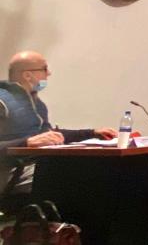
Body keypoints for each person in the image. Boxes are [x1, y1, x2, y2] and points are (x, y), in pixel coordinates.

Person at [1, 51, 117, 198]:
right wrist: (27, 143)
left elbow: (49, 135)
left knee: (92, 168)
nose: (49, 73)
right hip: (8, 171)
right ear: (27, 75)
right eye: (44, 69)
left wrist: (92, 133)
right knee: (74, 175)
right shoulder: (2, 102)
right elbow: (32, 141)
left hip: (33, 165)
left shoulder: (37, 104)